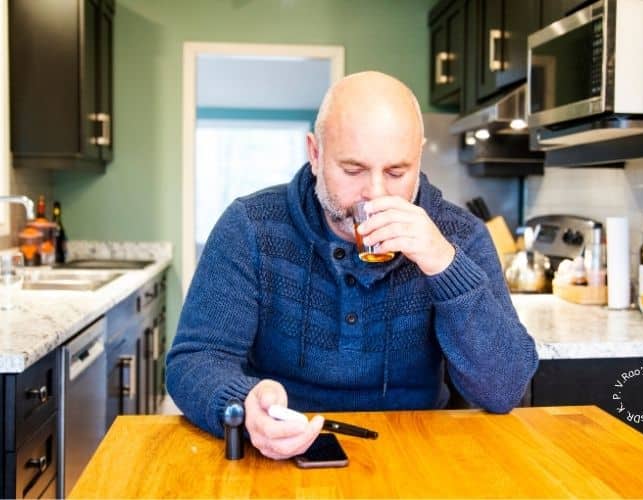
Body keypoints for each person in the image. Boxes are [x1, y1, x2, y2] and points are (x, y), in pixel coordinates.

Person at [166, 71, 539, 460]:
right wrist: (243, 406)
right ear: (315, 154)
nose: (375, 193)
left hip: (417, 454)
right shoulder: (251, 227)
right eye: (353, 170)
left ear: (419, 157)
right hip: (282, 457)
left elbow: (505, 388)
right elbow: (194, 360)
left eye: (397, 172)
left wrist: (444, 265)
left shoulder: (459, 236)